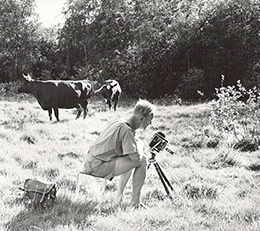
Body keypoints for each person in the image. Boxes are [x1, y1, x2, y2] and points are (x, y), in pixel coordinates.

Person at [83, 99, 156, 208]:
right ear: (141, 118)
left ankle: (119, 195)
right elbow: (136, 158)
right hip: (97, 166)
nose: (150, 123)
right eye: (150, 120)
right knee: (142, 160)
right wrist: (140, 145)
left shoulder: (120, 121)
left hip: (91, 161)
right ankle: (135, 203)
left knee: (129, 156)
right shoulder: (126, 130)